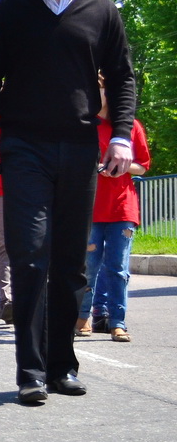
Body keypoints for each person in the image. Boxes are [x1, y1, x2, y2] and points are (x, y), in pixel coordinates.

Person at [0, 0, 136, 405]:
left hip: (82, 147)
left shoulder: (102, 11)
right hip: (24, 147)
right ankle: (30, 370)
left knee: (70, 262)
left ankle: (63, 365)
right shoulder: (12, 8)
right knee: (29, 255)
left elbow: (123, 79)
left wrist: (122, 137)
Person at [76, 78, 150, 342]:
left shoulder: (130, 126)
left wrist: (118, 164)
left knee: (118, 268)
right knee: (88, 267)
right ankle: (83, 318)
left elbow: (142, 166)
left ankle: (118, 323)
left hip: (122, 208)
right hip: (90, 208)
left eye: (99, 89)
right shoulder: (83, 125)